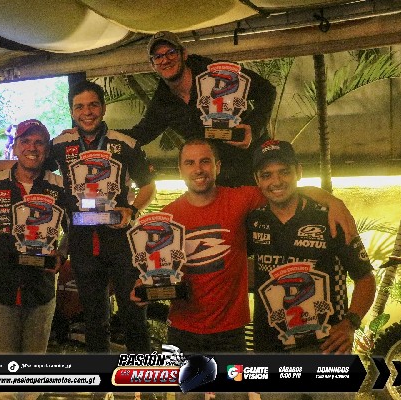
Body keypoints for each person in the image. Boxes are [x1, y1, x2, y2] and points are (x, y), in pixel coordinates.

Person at [131, 138, 356, 399]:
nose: (198, 169)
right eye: (190, 163)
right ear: (180, 170)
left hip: (231, 333)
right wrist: (143, 288)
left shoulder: (241, 199)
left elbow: (285, 188)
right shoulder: (168, 217)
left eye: (205, 161)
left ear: (217, 166)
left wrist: (332, 200)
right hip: (183, 332)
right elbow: (154, 271)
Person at [247, 140, 375, 399]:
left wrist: (350, 323)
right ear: (257, 180)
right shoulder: (251, 219)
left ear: (299, 172)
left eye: (284, 172)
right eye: (267, 175)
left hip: (328, 351)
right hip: (272, 352)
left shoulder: (330, 217)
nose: (276, 181)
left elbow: (365, 277)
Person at [50, 80, 156, 354]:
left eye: (93, 105)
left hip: (122, 242)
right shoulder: (59, 144)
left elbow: (148, 187)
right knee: (94, 321)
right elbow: (32, 166)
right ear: (72, 111)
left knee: (133, 315)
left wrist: (132, 210)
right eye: (79, 107)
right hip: (82, 243)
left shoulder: (125, 143)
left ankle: (143, 377)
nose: (87, 112)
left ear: (104, 108)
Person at [0, 119, 67, 400]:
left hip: (41, 293)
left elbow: (77, 227)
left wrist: (62, 253)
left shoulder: (60, 186)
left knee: (31, 382)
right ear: (15, 147)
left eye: (39, 142)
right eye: (26, 141)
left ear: (46, 150)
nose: (32, 147)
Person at [123, 30, 277, 187]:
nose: (165, 60)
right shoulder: (162, 102)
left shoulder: (217, 73)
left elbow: (266, 91)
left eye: (171, 53)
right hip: (217, 180)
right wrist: (106, 132)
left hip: (255, 167)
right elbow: (140, 134)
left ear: (184, 54)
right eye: (158, 56)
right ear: (152, 65)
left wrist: (254, 128)